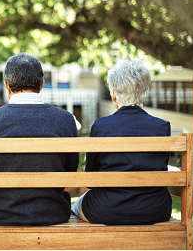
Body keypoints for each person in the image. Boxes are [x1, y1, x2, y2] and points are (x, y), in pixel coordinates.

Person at [0, 53, 80, 226]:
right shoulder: (65, 119)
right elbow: (70, 170)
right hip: (52, 212)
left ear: (6, 85)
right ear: (42, 85)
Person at [71, 59, 172, 225]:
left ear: (113, 94)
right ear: (144, 92)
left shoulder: (101, 127)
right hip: (155, 209)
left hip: (106, 209)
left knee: (76, 205)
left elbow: (91, 179)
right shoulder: (162, 127)